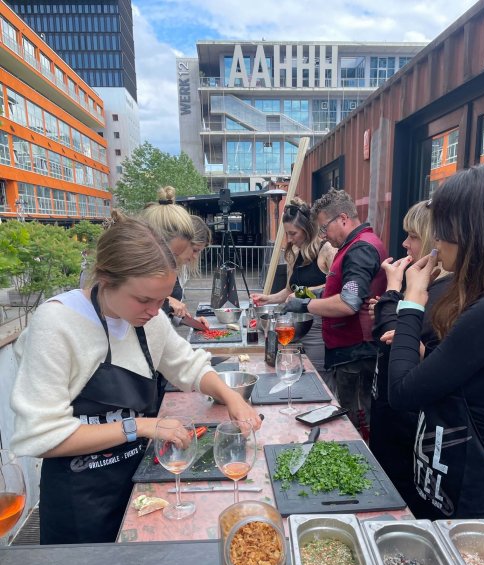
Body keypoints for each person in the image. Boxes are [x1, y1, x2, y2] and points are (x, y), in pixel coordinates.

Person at [10, 210, 262, 544]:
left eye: (161, 300)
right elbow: (41, 437)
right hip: (81, 502)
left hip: (141, 485)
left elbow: (189, 365)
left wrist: (231, 398)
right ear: (106, 279)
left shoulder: (151, 320)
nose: (154, 310)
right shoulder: (57, 325)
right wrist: (140, 426)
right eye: (144, 299)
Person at [388, 161, 484, 519]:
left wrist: (411, 301)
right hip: (451, 490)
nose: (436, 241)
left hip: (478, 505)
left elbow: (402, 392)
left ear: (474, 232)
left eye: (442, 229)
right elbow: (482, 386)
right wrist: (427, 354)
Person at [284, 188, 387, 437]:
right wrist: (305, 295)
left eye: (324, 227)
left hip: (356, 355)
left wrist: (305, 305)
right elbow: (337, 291)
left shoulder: (360, 249)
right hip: (350, 352)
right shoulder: (352, 245)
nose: (323, 235)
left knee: (354, 425)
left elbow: (348, 302)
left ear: (343, 218)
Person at [369, 201, 450, 511]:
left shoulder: (442, 295)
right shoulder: (425, 285)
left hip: (408, 432)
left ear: (433, 240)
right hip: (391, 421)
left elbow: (392, 334)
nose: (404, 243)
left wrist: (391, 291)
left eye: (412, 235)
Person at [251, 197, 336, 383]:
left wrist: (302, 293)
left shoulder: (327, 250)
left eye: (293, 233)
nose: (289, 239)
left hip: (318, 329)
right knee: (295, 378)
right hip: (295, 327)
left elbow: (334, 288)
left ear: (307, 229)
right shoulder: (296, 253)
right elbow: (289, 290)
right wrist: (268, 298)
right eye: (287, 234)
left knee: (317, 381)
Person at [142, 186, 211, 326]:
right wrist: (166, 301)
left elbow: (165, 316)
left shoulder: (172, 269)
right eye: (195, 250)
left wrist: (190, 321)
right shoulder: (139, 269)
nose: (195, 257)